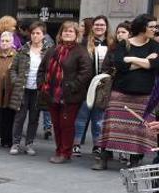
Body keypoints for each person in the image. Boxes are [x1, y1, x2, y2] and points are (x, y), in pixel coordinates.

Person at [98, 14, 159, 169]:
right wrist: (144, 62)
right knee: (112, 127)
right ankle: (103, 157)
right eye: (151, 26)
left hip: (144, 94)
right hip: (121, 92)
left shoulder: (155, 45)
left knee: (140, 129)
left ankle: (134, 160)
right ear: (142, 27)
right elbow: (120, 65)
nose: (155, 29)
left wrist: (130, 59)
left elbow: (154, 64)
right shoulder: (124, 44)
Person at [37, 20, 93, 164]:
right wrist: (41, 85)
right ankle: (58, 149)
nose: (67, 33)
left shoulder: (81, 51)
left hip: (70, 96)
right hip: (51, 94)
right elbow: (42, 69)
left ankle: (65, 152)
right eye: (65, 31)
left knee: (66, 125)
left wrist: (71, 86)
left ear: (76, 34)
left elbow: (86, 73)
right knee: (56, 124)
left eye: (71, 31)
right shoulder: (53, 50)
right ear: (60, 34)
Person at [9, 21, 51, 156]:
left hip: (38, 90)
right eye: (33, 33)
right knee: (19, 117)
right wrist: (15, 81)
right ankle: (15, 143)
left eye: (38, 33)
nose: (35, 36)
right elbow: (13, 69)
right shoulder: (22, 50)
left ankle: (29, 143)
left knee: (34, 118)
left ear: (43, 35)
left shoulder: (49, 51)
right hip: (23, 88)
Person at [73, 15, 113, 157]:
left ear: (106, 27)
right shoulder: (84, 43)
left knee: (98, 119)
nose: (99, 27)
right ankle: (76, 145)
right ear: (93, 26)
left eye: (102, 25)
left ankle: (97, 146)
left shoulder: (112, 44)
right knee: (81, 117)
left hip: (103, 87)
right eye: (96, 24)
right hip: (86, 86)